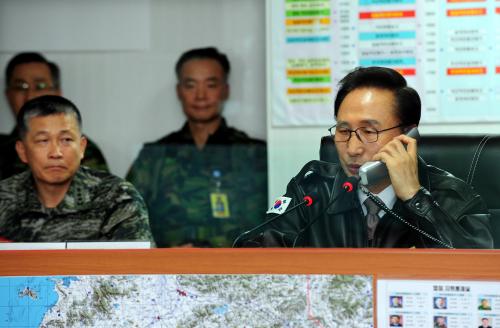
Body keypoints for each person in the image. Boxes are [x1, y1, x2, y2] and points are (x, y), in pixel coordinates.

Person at [251, 66, 492, 248]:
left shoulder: (453, 198)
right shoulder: (313, 190)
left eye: (368, 132)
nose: (353, 148)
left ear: (409, 135)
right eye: (344, 131)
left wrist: (415, 198)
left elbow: (478, 277)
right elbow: (254, 255)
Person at [127, 47, 267, 247]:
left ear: (225, 90)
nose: (200, 95)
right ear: (178, 91)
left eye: (211, 85)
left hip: (240, 271)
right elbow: (126, 220)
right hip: (168, 272)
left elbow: (279, 224)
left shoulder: (254, 154)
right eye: (190, 85)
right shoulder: (154, 157)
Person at [0, 95, 154, 243]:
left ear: (82, 147)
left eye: (66, 140)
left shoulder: (117, 197)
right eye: (43, 141)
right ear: (22, 151)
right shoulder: (4, 197)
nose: (56, 153)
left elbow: (136, 266)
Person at [1, 52, 108, 180]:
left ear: (57, 93)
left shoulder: (81, 151)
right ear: (8, 95)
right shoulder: (4, 149)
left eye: (40, 86)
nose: (29, 96)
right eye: (21, 87)